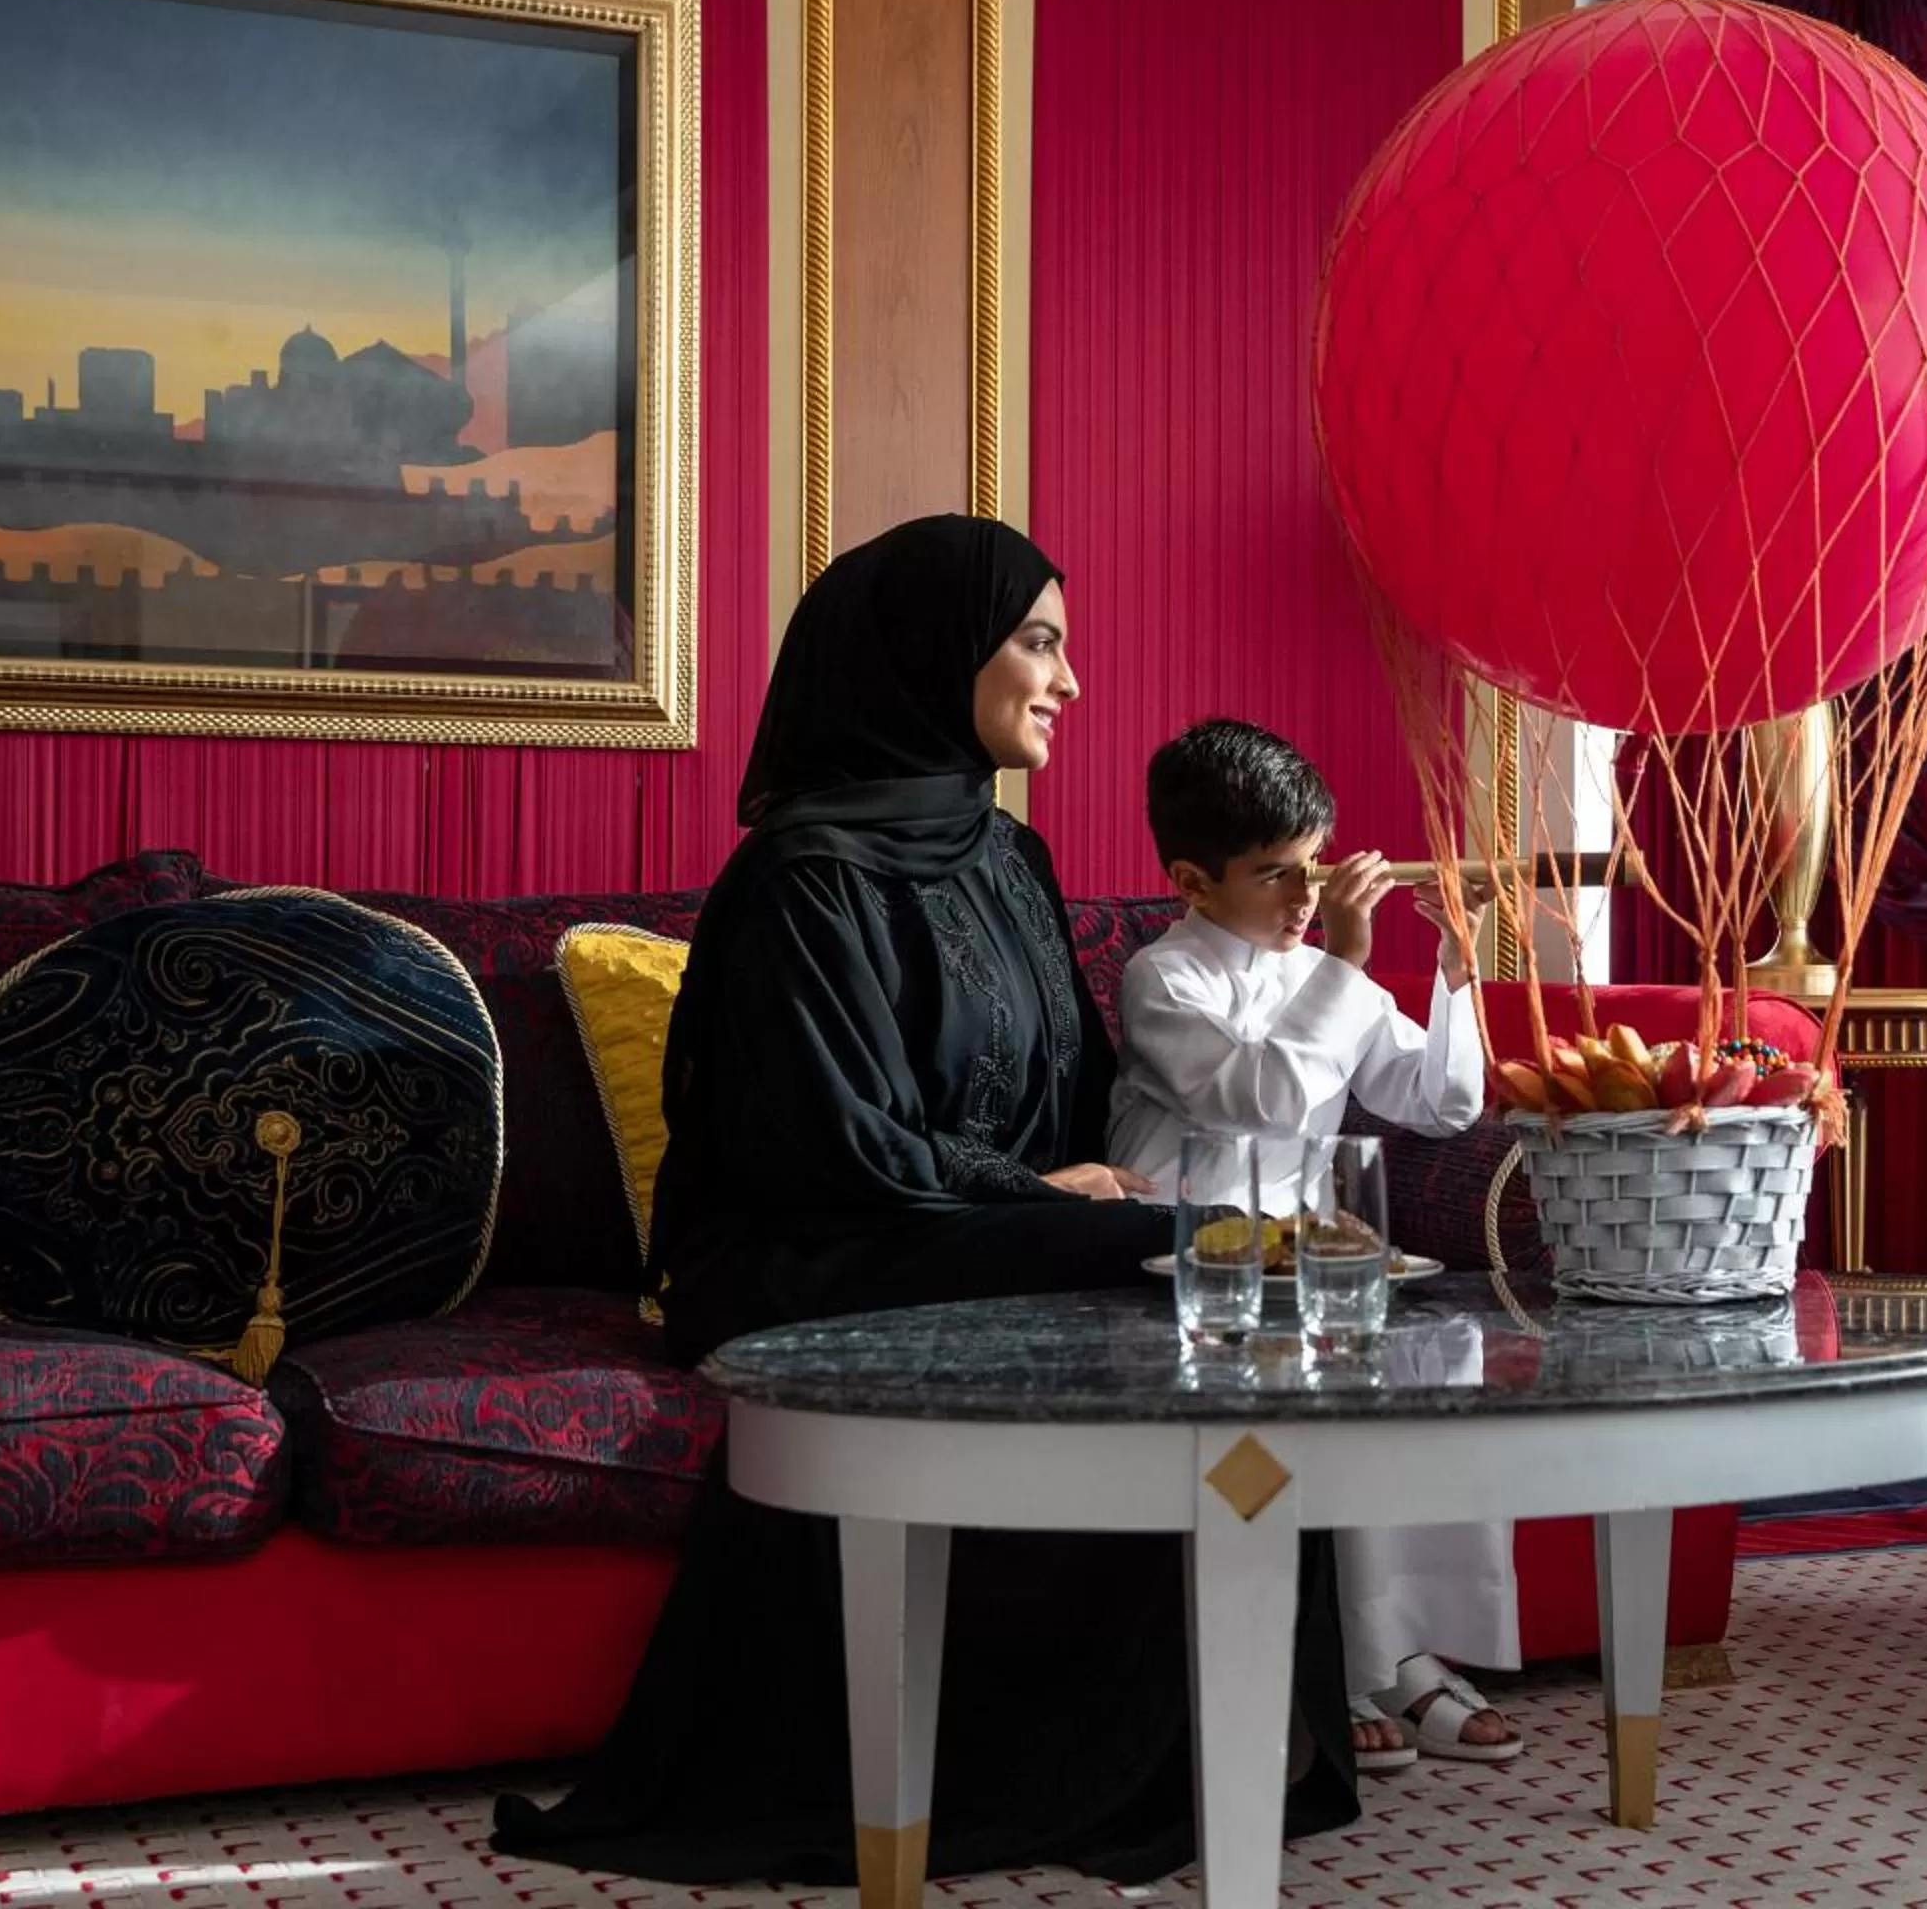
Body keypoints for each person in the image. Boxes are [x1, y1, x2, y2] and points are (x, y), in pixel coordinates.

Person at [492, 517, 1361, 1887]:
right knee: (1194, 1265)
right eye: (1039, 642)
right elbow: (829, 1140)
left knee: (1234, 1263)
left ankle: (1222, 1732)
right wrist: (1038, 1194)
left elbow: (1074, 1099)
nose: (1069, 680)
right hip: (817, 1244)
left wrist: (1088, 1185)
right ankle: (1111, 1756)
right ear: (929, 653)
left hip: (964, 1221)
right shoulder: (802, 879)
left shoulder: (1009, 861)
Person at [1108, 718, 1524, 1773]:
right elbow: (1263, 1097)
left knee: (1436, 1379)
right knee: (1314, 1398)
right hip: (1186, 1260)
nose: (1305, 899)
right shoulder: (1166, 979)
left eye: (1317, 867)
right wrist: (1342, 955)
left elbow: (1443, 1100)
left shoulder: (1321, 969)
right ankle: (1335, 1667)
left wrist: (1455, 965)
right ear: (1194, 881)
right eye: (1276, 876)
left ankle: (1408, 1650)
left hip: (1308, 1265)